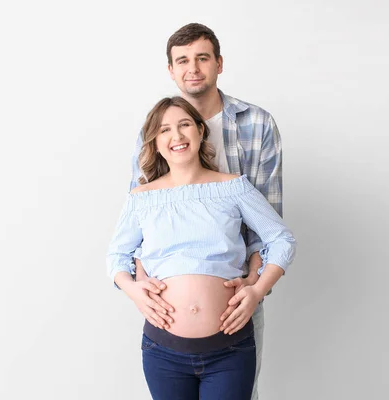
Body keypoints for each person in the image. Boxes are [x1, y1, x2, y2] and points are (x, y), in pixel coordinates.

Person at [129, 23, 284, 399]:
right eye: (182, 60)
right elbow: (140, 215)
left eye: (202, 57)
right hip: (168, 320)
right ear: (171, 70)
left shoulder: (257, 124)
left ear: (218, 63)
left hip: (236, 299)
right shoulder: (156, 130)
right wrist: (138, 285)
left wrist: (254, 286)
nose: (192, 68)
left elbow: (271, 224)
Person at [107, 96, 295, 399]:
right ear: (154, 143)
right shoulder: (141, 198)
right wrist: (133, 290)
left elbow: (281, 239)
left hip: (230, 349)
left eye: (184, 125)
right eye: (165, 130)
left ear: (200, 131)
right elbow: (117, 256)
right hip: (163, 352)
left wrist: (258, 289)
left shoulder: (233, 187)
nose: (177, 136)